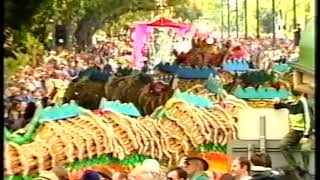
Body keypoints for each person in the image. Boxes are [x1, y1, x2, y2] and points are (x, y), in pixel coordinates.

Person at [273, 90, 312, 171]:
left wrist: (306, 136)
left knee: (305, 149)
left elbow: (310, 120)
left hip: (307, 132)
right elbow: (279, 106)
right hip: (295, 131)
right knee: (282, 145)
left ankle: (305, 170)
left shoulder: (305, 104)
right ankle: (295, 167)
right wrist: (276, 103)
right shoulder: (291, 102)